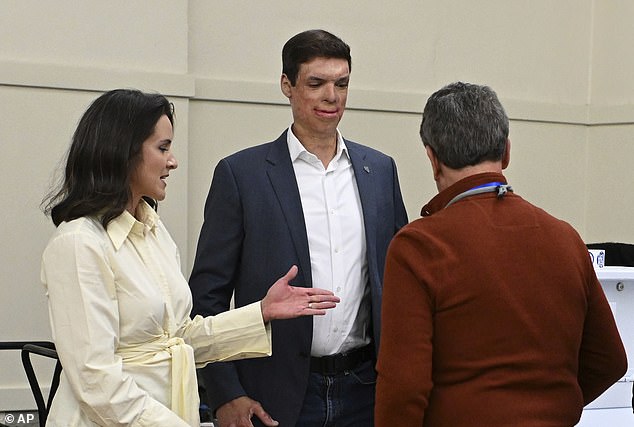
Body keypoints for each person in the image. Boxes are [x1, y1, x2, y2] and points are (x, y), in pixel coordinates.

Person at [40, 89, 340, 427]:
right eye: (163, 148)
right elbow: (95, 381)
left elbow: (180, 338)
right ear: (122, 152)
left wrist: (261, 312)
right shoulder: (79, 242)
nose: (173, 161)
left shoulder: (153, 231)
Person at [374, 81, 628, 426]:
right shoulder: (566, 238)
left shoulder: (419, 246)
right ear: (506, 152)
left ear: (433, 159)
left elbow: (404, 388)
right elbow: (610, 360)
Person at [189, 29, 408, 426]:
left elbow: (401, 282)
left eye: (341, 84)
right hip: (274, 394)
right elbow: (207, 297)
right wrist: (226, 394)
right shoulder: (242, 175)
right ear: (286, 86)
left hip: (366, 391)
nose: (332, 96)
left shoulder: (379, 171)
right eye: (317, 83)